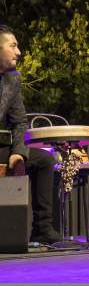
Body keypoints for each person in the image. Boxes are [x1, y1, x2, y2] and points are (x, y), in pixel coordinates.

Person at [0, 24, 62, 245]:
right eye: (13, 46)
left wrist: (18, 152)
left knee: (45, 159)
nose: (19, 52)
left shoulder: (12, 79)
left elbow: (19, 121)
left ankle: (42, 229)